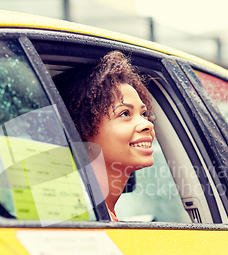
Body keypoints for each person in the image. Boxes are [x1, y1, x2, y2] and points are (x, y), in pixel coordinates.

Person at [53, 51, 155, 221]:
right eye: (124, 114)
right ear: (80, 130)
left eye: (144, 113)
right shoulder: (82, 221)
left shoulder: (94, 215)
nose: (148, 124)